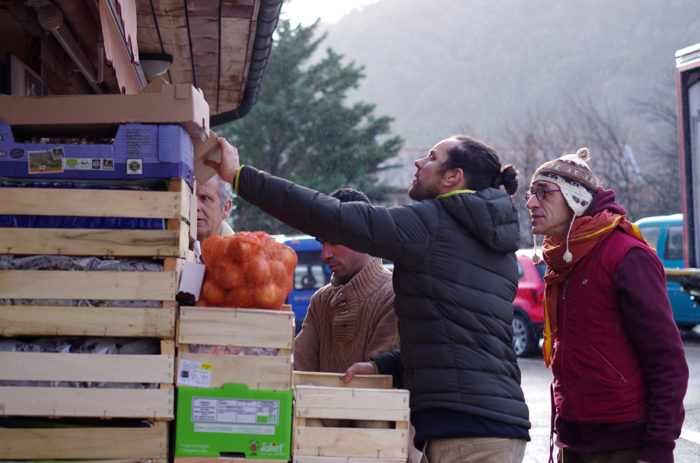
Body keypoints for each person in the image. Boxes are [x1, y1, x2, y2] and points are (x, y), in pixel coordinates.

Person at [206, 134, 531, 463]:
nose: (419, 163)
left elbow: (330, 215)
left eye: (431, 157)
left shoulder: (432, 225)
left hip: (466, 431)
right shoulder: (495, 247)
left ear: (453, 177)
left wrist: (239, 176)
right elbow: (461, 336)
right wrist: (383, 365)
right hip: (499, 424)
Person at [525, 148, 689, 463]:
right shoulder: (563, 260)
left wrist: (658, 451)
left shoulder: (627, 255)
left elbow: (667, 362)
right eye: (531, 195)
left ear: (575, 198)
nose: (532, 203)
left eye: (543, 193)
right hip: (574, 439)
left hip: (625, 442)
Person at [293, 187, 398, 373]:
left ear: (365, 235)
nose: (325, 254)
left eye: (334, 241)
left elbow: (377, 386)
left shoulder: (395, 296)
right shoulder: (321, 301)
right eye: (321, 242)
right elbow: (296, 371)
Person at [196, 174, 234, 241]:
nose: (196, 206)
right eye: (189, 197)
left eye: (205, 198)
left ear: (226, 208)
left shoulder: (241, 251)